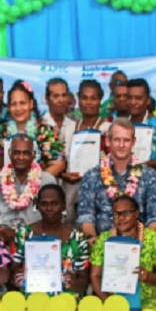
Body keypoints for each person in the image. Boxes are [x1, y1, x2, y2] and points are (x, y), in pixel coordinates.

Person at [77, 119, 156, 240]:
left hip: (140, 244)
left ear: (133, 142)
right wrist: (92, 238)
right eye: (117, 139)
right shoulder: (91, 175)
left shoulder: (150, 175)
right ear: (108, 141)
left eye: (126, 140)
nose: (121, 145)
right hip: (101, 244)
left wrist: (147, 242)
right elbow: (85, 216)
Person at [88, 194, 156, 311]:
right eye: (116, 214)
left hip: (148, 302)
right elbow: (94, 275)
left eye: (126, 213)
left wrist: (149, 277)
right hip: (113, 302)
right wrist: (109, 302)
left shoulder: (153, 239)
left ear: (136, 213)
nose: (120, 218)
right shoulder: (104, 240)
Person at [9, 183, 90, 295]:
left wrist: (73, 282)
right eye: (44, 204)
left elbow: (84, 282)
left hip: (66, 304)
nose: (49, 208)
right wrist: (17, 278)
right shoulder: (24, 235)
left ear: (63, 206)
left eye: (55, 203)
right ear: (37, 206)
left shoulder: (78, 239)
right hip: (32, 303)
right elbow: (12, 276)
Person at [0, 134, 58, 243]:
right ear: (9, 154)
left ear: (34, 155)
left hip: (37, 239)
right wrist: (1, 233)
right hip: (3, 240)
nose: (21, 157)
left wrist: (21, 235)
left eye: (26, 153)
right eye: (16, 153)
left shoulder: (47, 181)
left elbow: (55, 218)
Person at [57, 79, 111, 222]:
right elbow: (60, 159)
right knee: (69, 229)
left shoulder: (108, 129)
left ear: (100, 100)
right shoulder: (68, 129)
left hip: (99, 190)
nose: (88, 102)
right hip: (70, 188)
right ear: (78, 99)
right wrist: (64, 175)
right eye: (84, 98)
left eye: (93, 98)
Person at [2, 81, 64, 176]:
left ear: (31, 104)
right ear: (9, 107)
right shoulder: (0, 132)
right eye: (14, 104)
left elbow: (58, 165)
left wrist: (34, 184)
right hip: (6, 187)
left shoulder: (46, 131)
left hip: (39, 187)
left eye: (22, 103)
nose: (18, 108)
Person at [123, 79, 156, 186]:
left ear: (148, 100)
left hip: (153, 187)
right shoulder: (122, 125)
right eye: (129, 98)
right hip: (125, 186)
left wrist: (143, 166)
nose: (133, 102)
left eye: (138, 98)